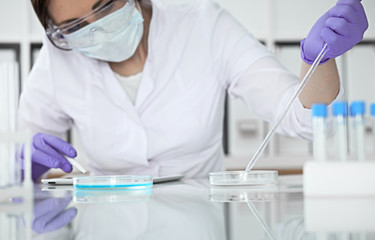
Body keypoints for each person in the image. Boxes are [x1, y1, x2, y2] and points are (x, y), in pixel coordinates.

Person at [20, 0, 368, 181]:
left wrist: (317, 58)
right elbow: (21, 156)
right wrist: (25, 163)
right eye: (75, 26)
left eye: (105, 6)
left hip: (200, 219)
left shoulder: (203, 24)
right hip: (106, 221)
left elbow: (301, 117)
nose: (97, 30)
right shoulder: (58, 58)